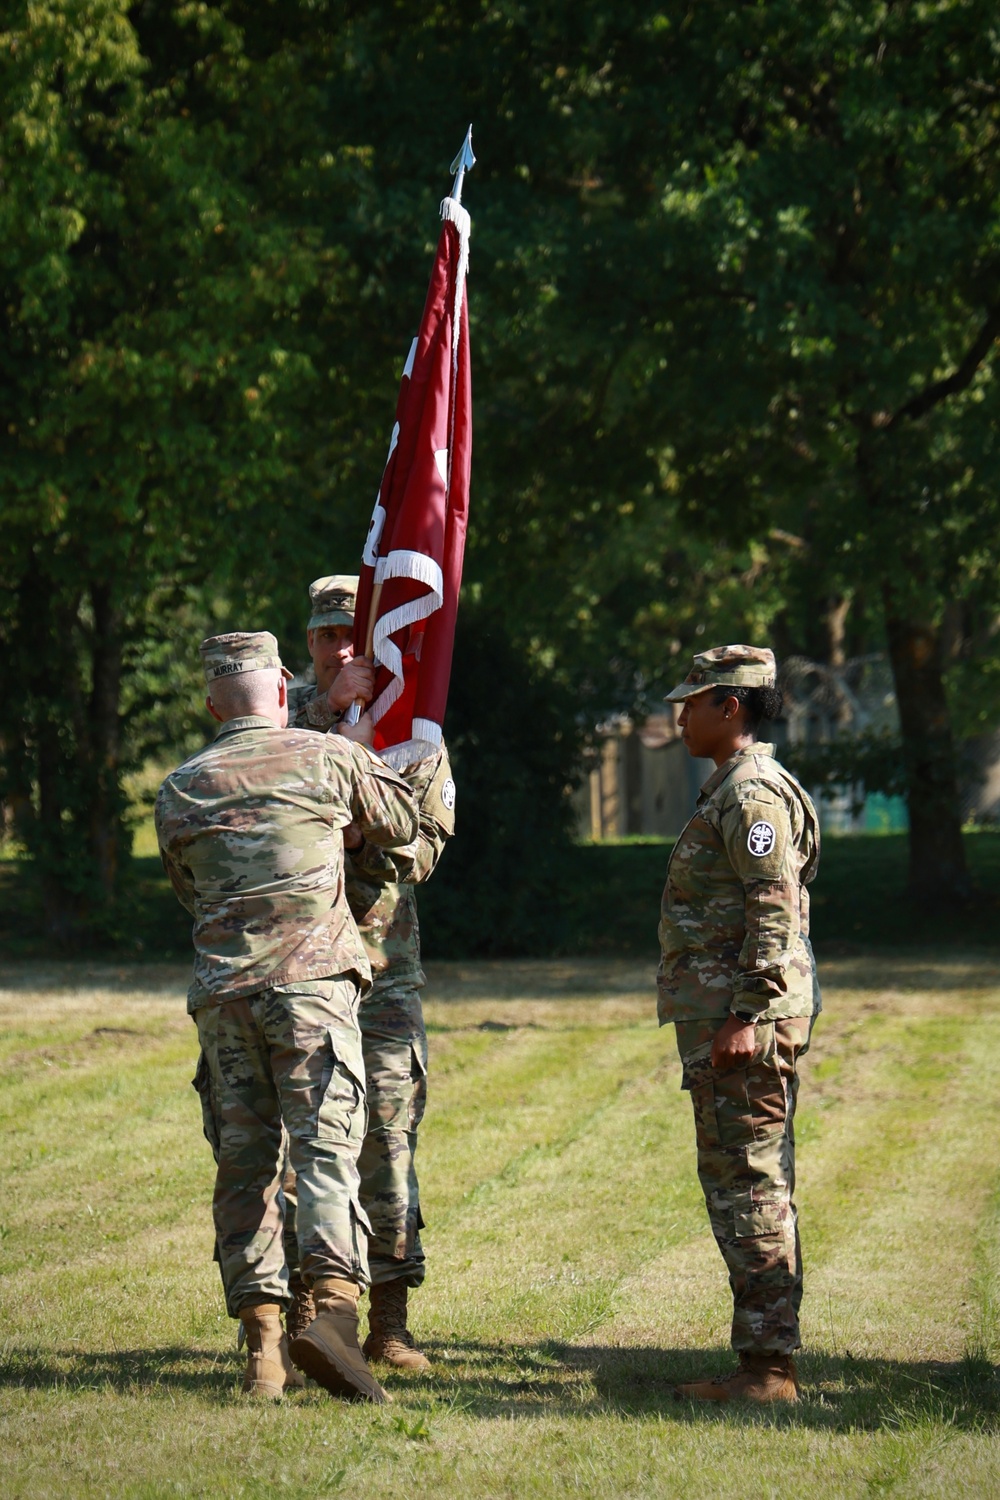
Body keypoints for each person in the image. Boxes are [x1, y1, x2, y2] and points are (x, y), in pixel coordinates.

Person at [155, 630, 418, 1403]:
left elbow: (190, 890)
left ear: (212, 705)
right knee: (325, 1154)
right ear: (280, 690)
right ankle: (334, 1320)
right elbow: (400, 823)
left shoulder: (180, 787)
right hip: (312, 994)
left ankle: (264, 1349)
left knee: (245, 1167)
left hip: (224, 996)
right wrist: (360, 747)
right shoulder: (326, 756)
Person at [283, 574, 456, 1372]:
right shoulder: (278, 717)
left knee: (385, 1138)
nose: (342, 648)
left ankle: (389, 1319)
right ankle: (304, 1313)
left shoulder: (413, 730)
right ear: (308, 642)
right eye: (326, 636)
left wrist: (365, 841)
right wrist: (325, 715)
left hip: (382, 968)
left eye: (355, 632)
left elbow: (427, 846)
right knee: (300, 1142)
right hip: (292, 965)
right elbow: (238, 779)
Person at [657, 645, 821, 1404]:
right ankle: (764, 1361)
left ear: (732, 706)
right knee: (747, 1178)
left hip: (744, 1020)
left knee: (749, 1182)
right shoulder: (735, 787)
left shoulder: (750, 794)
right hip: (734, 1014)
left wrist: (745, 1014)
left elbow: (773, 908)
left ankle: (767, 1371)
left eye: (692, 700)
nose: (679, 713)